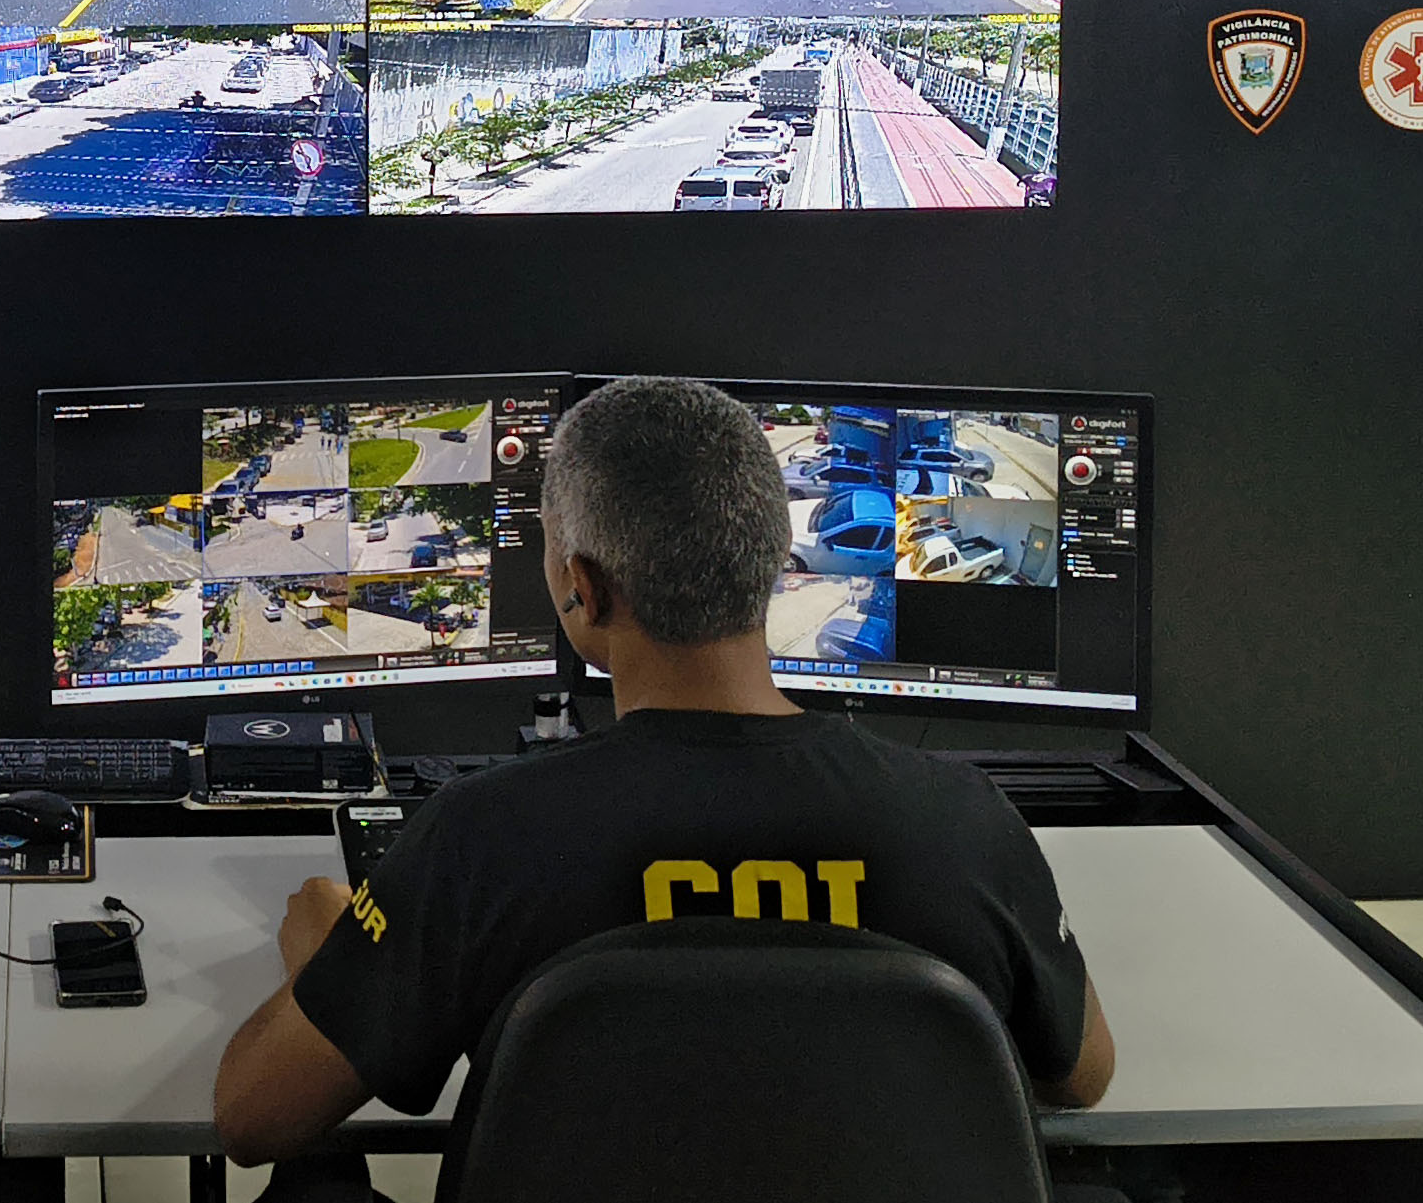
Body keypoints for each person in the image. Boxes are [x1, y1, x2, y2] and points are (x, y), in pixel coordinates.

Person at [213, 374, 1115, 1175]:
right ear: (772, 560)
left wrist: (335, 954)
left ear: (583, 585)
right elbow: (1080, 1075)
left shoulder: (480, 837)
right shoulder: (960, 820)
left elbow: (253, 1118)